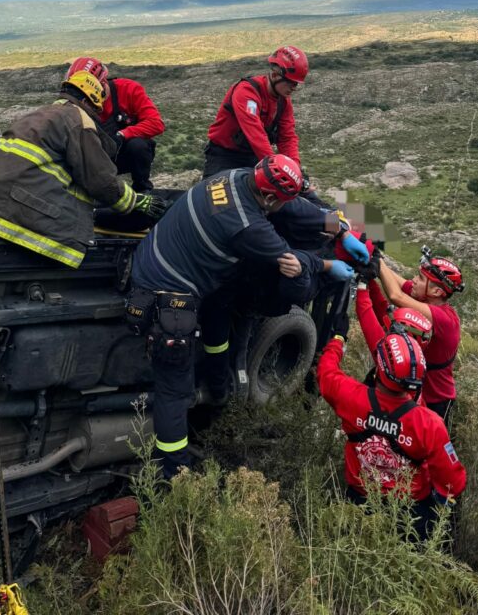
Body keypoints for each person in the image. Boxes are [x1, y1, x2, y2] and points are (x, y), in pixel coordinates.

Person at [127, 153, 367, 478]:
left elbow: (294, 207)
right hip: (167, 294)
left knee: (217, 323)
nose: (282, 205)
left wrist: (338, 227)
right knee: (175, 391)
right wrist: (328, 265)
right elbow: (292, 264)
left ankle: (218, 392)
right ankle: (174, 475)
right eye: (278, 200)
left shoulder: (238, 176)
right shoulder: (247, 226)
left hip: (152, 259)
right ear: (268, 197)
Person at [0, 62, 166, 266]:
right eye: (96, 109)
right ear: (89, 101)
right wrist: (135, 202)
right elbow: (101, 181)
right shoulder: (80, 121)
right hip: (18, 209)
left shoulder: (38, 115)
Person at [317, 311, 466, 540]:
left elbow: (327, 372)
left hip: (358, 503)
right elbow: (452, 482)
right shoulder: (429, 424)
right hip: (410, 516)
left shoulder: (350, 397)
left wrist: (338, 339)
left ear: (379, 369)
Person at [375, 247, 464, 429]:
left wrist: (378, 262)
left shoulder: (444, 319)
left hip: (436, 402)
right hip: (415, 394)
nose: (414, 280)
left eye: (421, 278)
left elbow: (396, 296)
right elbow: (399, 283)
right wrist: (373, 259)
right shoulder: (424, 298)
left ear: (437, 292)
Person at [203, 46, 309, 179]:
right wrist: (276, 168)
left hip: (253, 156)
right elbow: (255, 133)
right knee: (212, 197)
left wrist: (295, 170)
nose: (293, 88)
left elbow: (287, 137)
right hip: (224, 155)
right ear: (275, 75)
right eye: (291, 83)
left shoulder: (283, 102)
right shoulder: (247, 92)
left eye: (296, 84)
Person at [66, 57, 165, 192]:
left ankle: (142, 189)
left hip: (125, 154)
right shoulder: (77, 104)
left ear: (102, 83)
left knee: (139, 146)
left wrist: (123, 134)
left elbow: (156, 123)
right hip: (96, 158)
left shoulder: (128, 89)